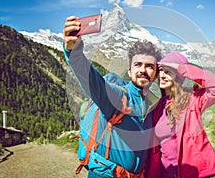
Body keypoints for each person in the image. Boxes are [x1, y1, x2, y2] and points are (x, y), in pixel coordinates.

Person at [63, 15, 163, 177]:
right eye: (137, 65)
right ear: (129, 71)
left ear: (156, 74)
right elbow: (92, 81)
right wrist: (73, 52)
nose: (143, 70)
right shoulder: (118, 97)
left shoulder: (151, 105)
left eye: (149, 66)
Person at [146, 52, 215, 178]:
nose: (162, 76)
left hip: (190, 173)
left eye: (168, 71)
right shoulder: (158, 107)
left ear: (180, 75)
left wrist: (182, 68)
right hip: (163, 173)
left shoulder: (193, 99)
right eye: (160, 71)